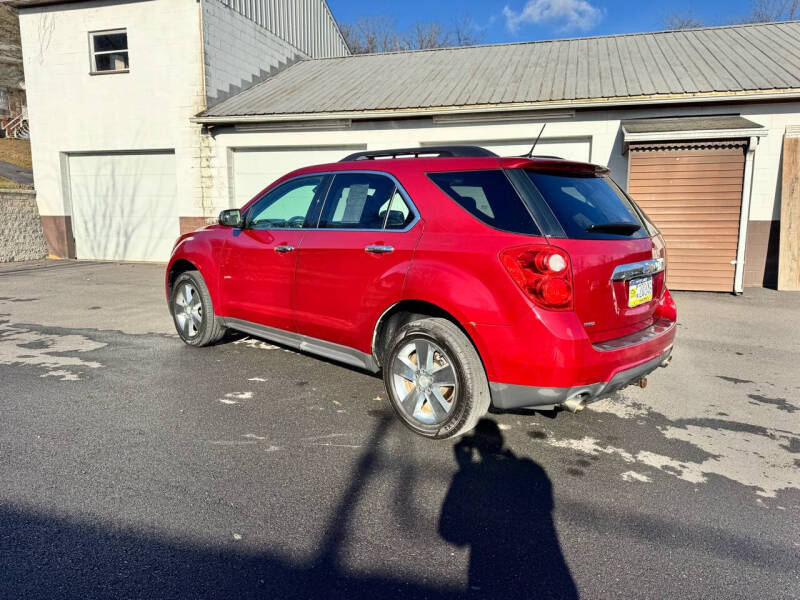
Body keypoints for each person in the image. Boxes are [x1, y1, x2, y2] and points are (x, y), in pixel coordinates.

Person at [439, 419, 578, 599]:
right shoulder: (530, 469)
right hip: (540, 567)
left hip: (490, 571)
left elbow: (450, 533)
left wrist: (465, 467)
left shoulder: (468, 477)